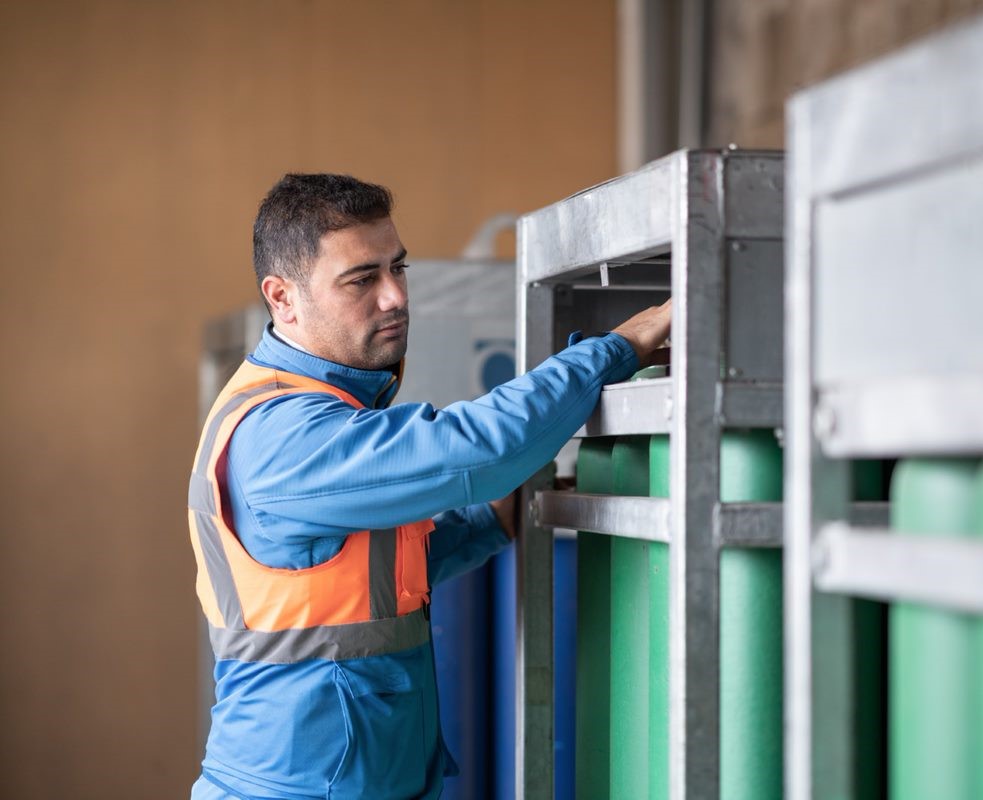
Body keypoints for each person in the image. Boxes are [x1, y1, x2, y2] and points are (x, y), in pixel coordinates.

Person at [188, 173, 671, 799]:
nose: (394, 297)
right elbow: (475, 448)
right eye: (362, 279)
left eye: (399, 268)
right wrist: (619, 348)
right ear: (283, 298)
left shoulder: (326, 407)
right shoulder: (283, 433)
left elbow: (369, 580)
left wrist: (491, 521)